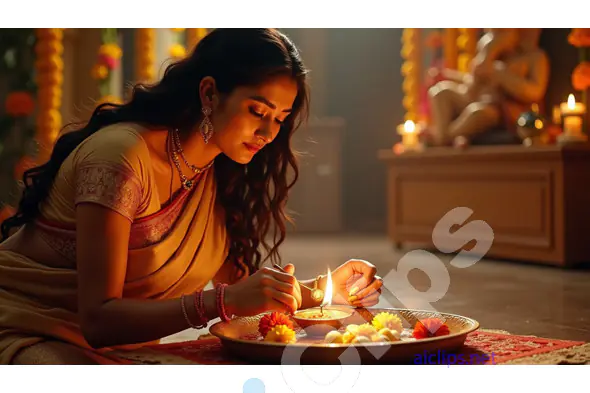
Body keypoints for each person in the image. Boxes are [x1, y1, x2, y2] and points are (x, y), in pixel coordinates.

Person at [0, 28, 383, 364]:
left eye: (279, 119)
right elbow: (99, 321)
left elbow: (246, 291)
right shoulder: (122, 159)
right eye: (257, 111)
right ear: (210, 93)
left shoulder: (218, 171)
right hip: (25, 327)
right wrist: (222, 302)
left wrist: (326, 288)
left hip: (122, 350)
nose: (268, 134)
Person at [428, 28, 548, 146]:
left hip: (503, 110)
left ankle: (444, 139)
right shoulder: (488, 51)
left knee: (477, 112)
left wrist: (502, 76)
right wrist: (490, 51)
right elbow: (471, 86)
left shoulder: (534, 57)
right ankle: (445, 136)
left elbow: (535, 92)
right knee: (440, 92)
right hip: (478, 98)